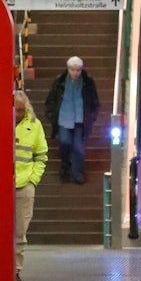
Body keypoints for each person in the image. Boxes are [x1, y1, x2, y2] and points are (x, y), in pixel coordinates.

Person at [44, 56, 101, 185]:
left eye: (78, 70)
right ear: (68, 69)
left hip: (81, 120)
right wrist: (52, 114)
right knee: (64, 142)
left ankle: (78, 173)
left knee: (78, 147)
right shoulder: (60, 81)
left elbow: (95, 101)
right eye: (72, 69)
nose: (75, 73)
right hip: (64, 118)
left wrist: (92, 116)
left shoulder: (88, 83)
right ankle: (65, 164)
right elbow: (51, 100)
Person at [13, 90, 48, 281]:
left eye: (20, 110)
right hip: (2, 184)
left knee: (20, 231)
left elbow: (41, 156)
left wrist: (33, 179)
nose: (17, 114)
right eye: (14, 110)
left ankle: (16, 270)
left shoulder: (35, 126)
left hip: (24, 184)